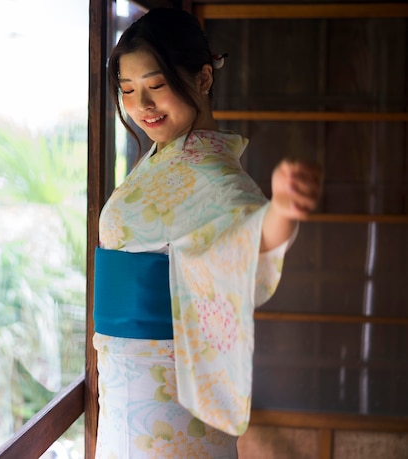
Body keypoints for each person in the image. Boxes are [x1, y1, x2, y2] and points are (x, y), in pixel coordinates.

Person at [93, 7, 323, 458]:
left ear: (202, 78)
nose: (142, 106)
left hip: (168, 389)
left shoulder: (213, 175)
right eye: (128, 91)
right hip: (127, 378)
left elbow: (250, 238)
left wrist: (283, 213)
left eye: (156, 86)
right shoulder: (166, 155)